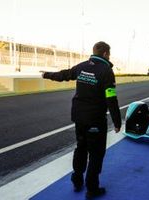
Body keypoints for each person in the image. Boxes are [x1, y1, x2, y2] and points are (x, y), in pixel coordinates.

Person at [41, 41, 121, 199]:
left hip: (79, 117)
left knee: (81, 147)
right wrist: (117, 122)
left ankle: (77, 180)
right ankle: (92, 188)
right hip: (95, 119)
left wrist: (46, 74)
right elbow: (111, 98)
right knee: (96, 153)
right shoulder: (106, 71)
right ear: (105, 54)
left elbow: (64, 75)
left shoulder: (82, 66)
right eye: (109, 54)